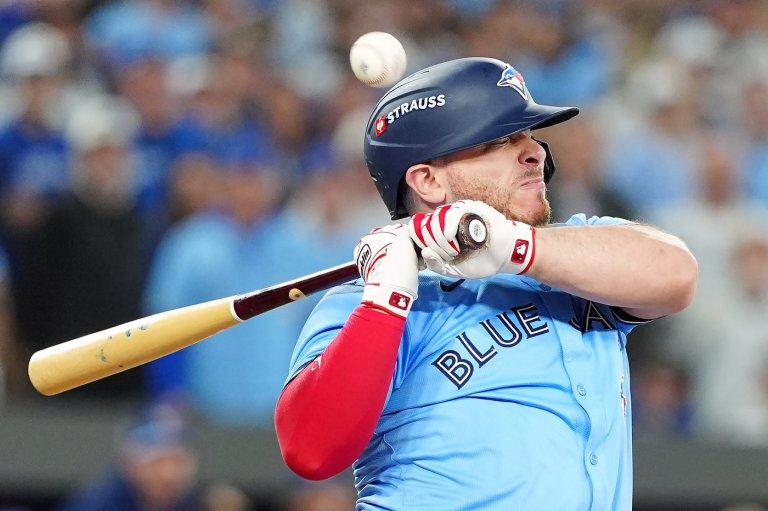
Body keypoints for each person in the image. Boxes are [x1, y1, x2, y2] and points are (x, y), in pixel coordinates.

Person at [274, 57, 698, 510]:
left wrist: (513, 245)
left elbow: (676, 274)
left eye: (530, 135)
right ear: (427, 180)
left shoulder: (578, 254)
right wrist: (385, 302)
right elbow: (311, 451)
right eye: (500, 140)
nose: (535, 152)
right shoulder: (365, 301)